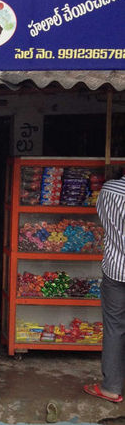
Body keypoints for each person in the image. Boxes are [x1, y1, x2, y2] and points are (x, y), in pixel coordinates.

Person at [84, 172, 125, 403]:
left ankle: (111, 387)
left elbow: (103, 218)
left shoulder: (109, 191)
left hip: (116, 269)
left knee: (114, 328)